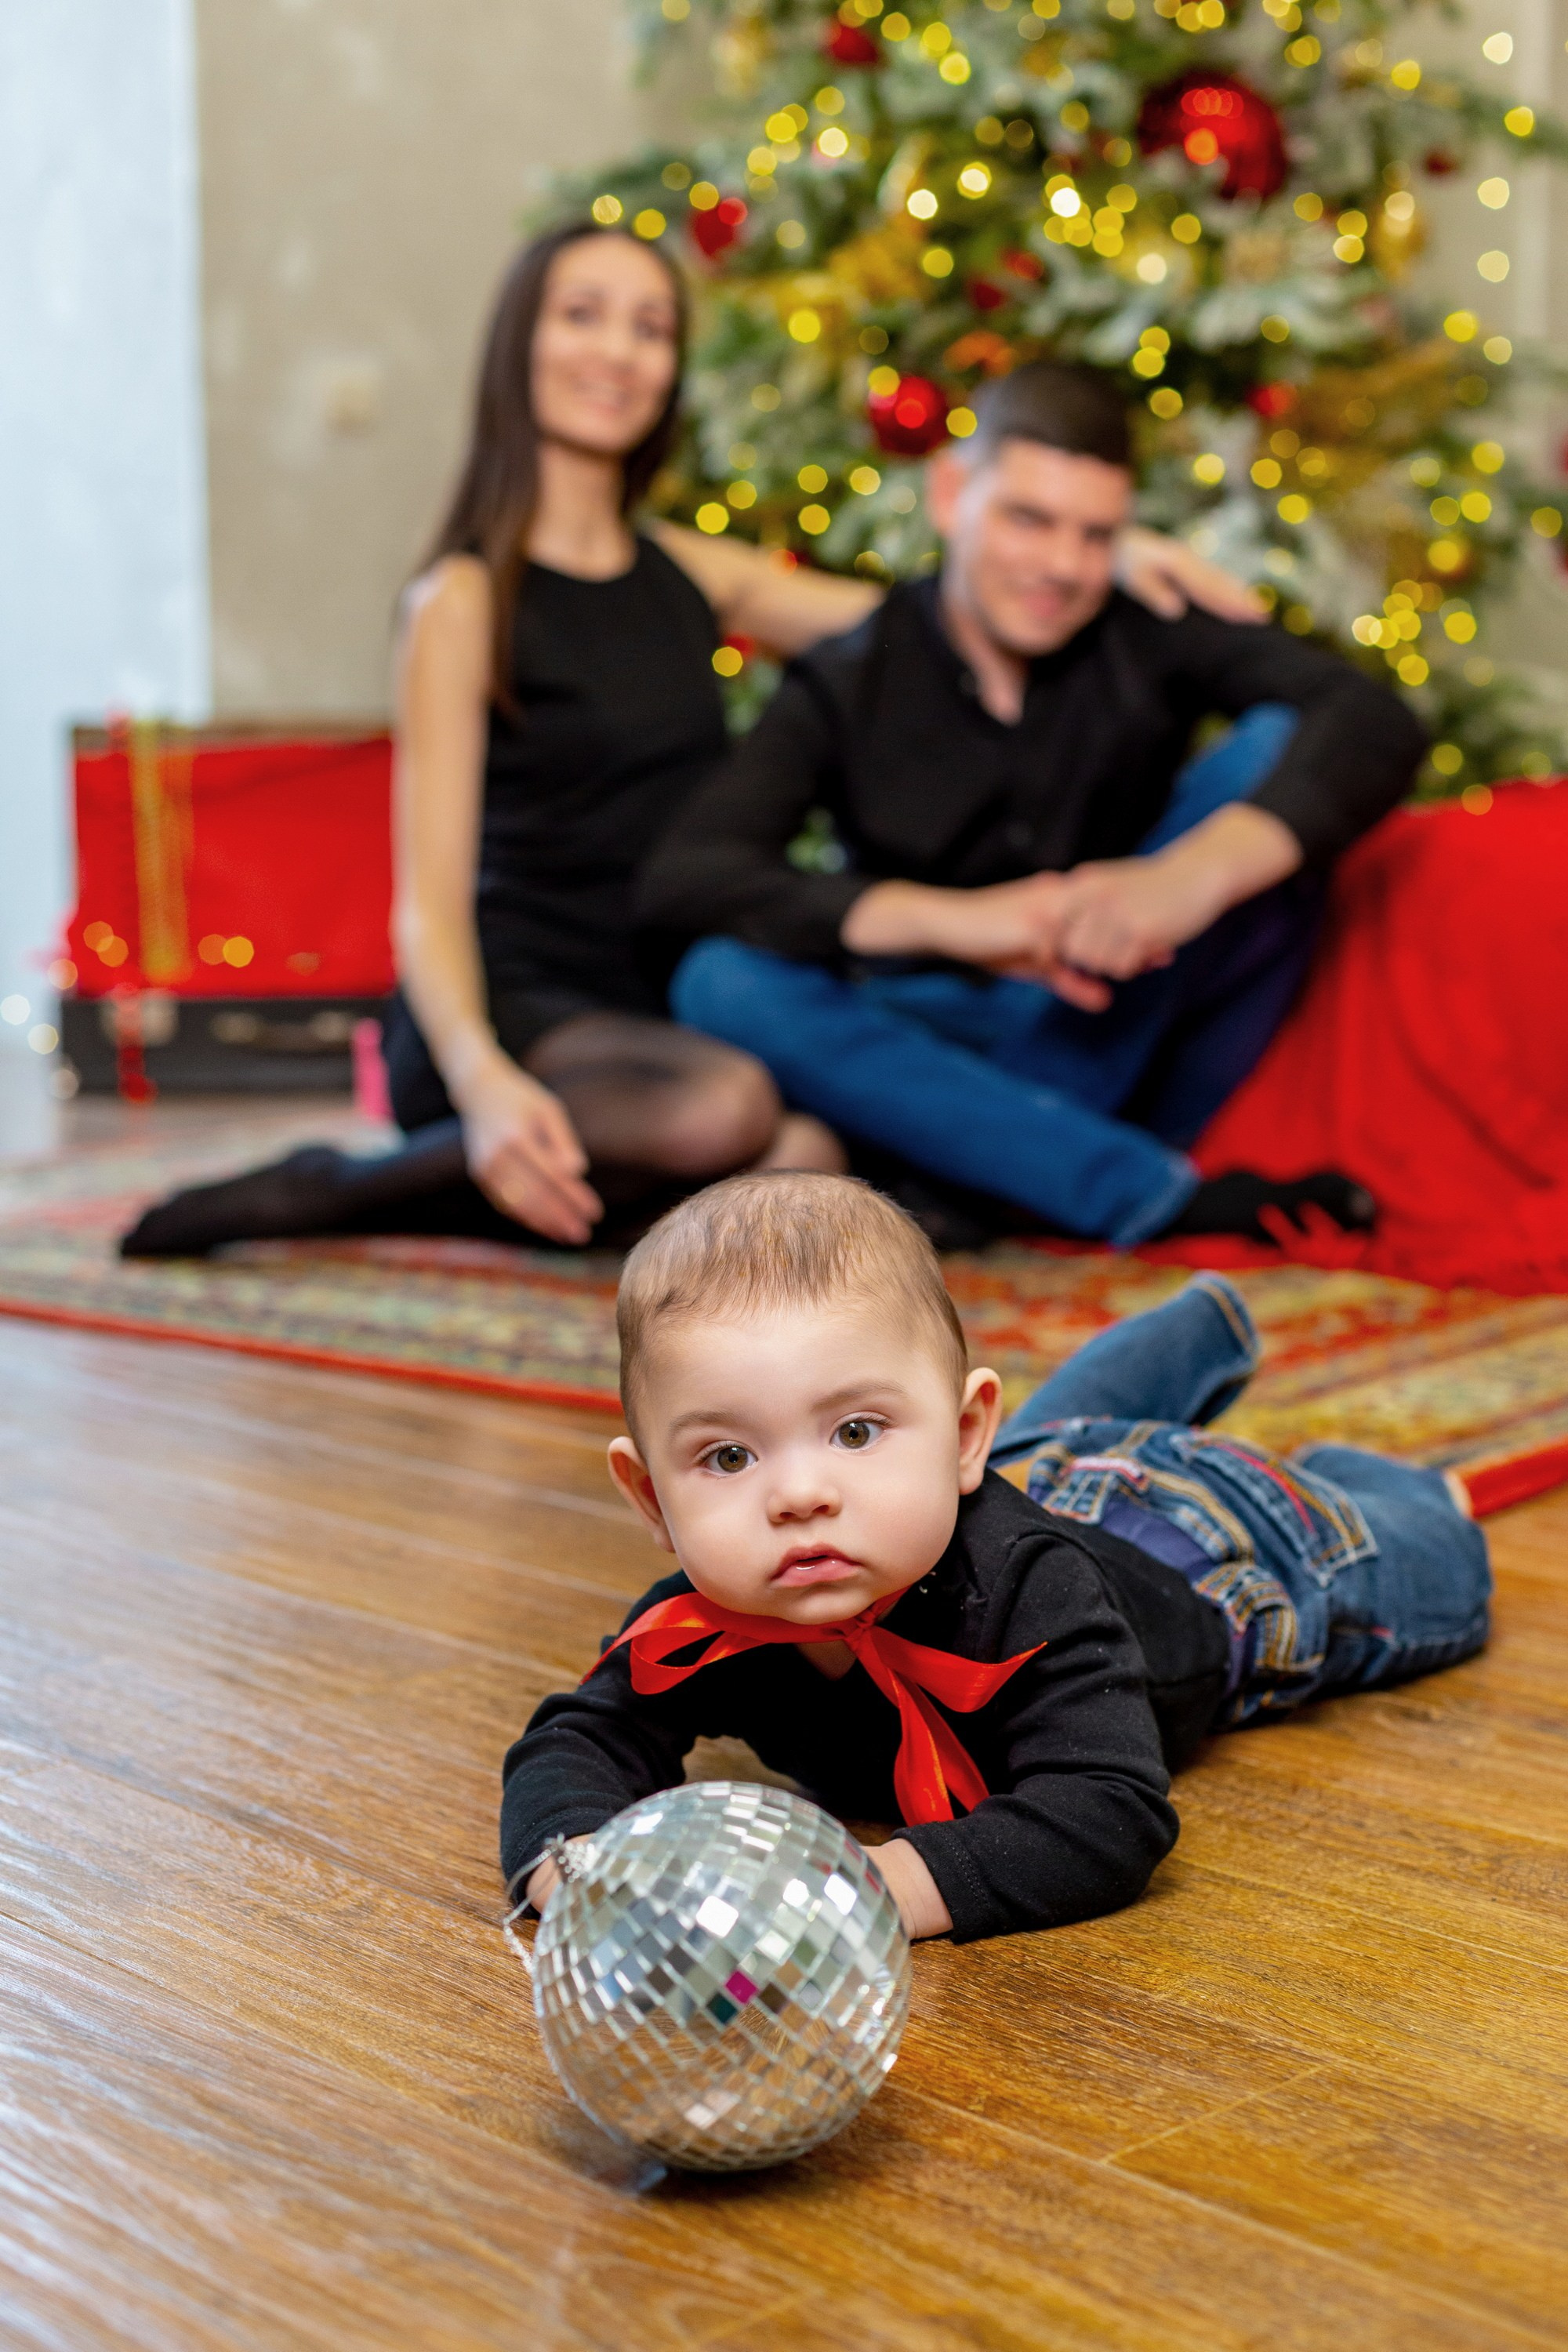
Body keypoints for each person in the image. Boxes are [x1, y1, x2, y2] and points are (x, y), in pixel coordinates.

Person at [123, 226, 1270, 1261]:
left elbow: (926, 612)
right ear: (520, 343)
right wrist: (481, 1082)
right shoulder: (462, 601)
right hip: (525, 1003)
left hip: (664, 986)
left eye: (651, 326)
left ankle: (536, 1201)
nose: (618, 352)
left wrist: (1085, 557)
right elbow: (427, 900)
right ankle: (348, 1188)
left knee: (809, 1153)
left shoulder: (692, 571)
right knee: (724, 1114)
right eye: (583, 316)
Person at [501, 1172, 1489, 1944]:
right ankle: (1178, 1347)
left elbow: (1106, 1813)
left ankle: (1366, 1476)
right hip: (1022, 1481)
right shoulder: (702, 1619)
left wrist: (878, 1883)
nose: (798, 1494)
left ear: (963, 1433)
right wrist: (574, 1871)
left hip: (1222, 1548)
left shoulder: (1033, 1592)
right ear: (651, 1501)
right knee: (1033, 1455)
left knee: (1441, 1573)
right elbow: (577, 1740)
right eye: (727, 1455)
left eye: (852, 1430)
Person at [643, 361, 1432, 1249]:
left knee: (1275, 756)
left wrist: (1184, 880)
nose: (1061, 565)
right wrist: (961, 922)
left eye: (1096, 535)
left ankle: (987, 1173)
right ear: (951, 496)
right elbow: (688, 877)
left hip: (1116, 1018)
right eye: (1028, 519)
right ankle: (1133, 1192)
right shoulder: (855, 671)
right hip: (936, 1048)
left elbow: (1372, 717)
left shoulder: (1145, 622)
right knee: (720, 981)